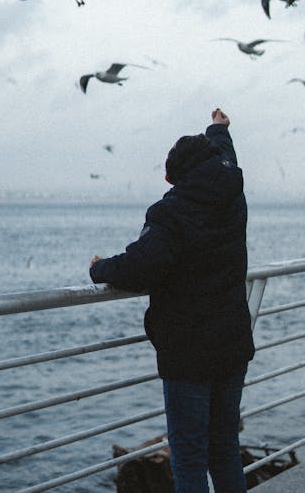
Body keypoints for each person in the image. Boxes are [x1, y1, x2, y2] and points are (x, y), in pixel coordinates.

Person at [90, 108, 254, 493]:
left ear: (171, 176)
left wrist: (99, 269)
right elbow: (224, 156)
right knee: (224, 450)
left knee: (189, 457)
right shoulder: (232, 191)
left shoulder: (171, 211)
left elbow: (139, 267)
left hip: (189, 353)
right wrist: (218, 129)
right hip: (232, 344)